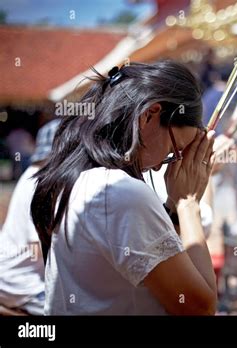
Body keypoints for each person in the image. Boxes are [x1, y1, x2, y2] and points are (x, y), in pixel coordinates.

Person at [30, 61, 218, 315]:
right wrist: (188, 203)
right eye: (174, 151)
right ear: (150, 116)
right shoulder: (120, 192)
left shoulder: (82, 179)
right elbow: (201, 308)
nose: (162, 166)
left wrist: (173, 207)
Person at [0, 119, 60, 315]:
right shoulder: (47, 182)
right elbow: (44, 243)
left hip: (10, 276)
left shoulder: (32, 173)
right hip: (20, 283)